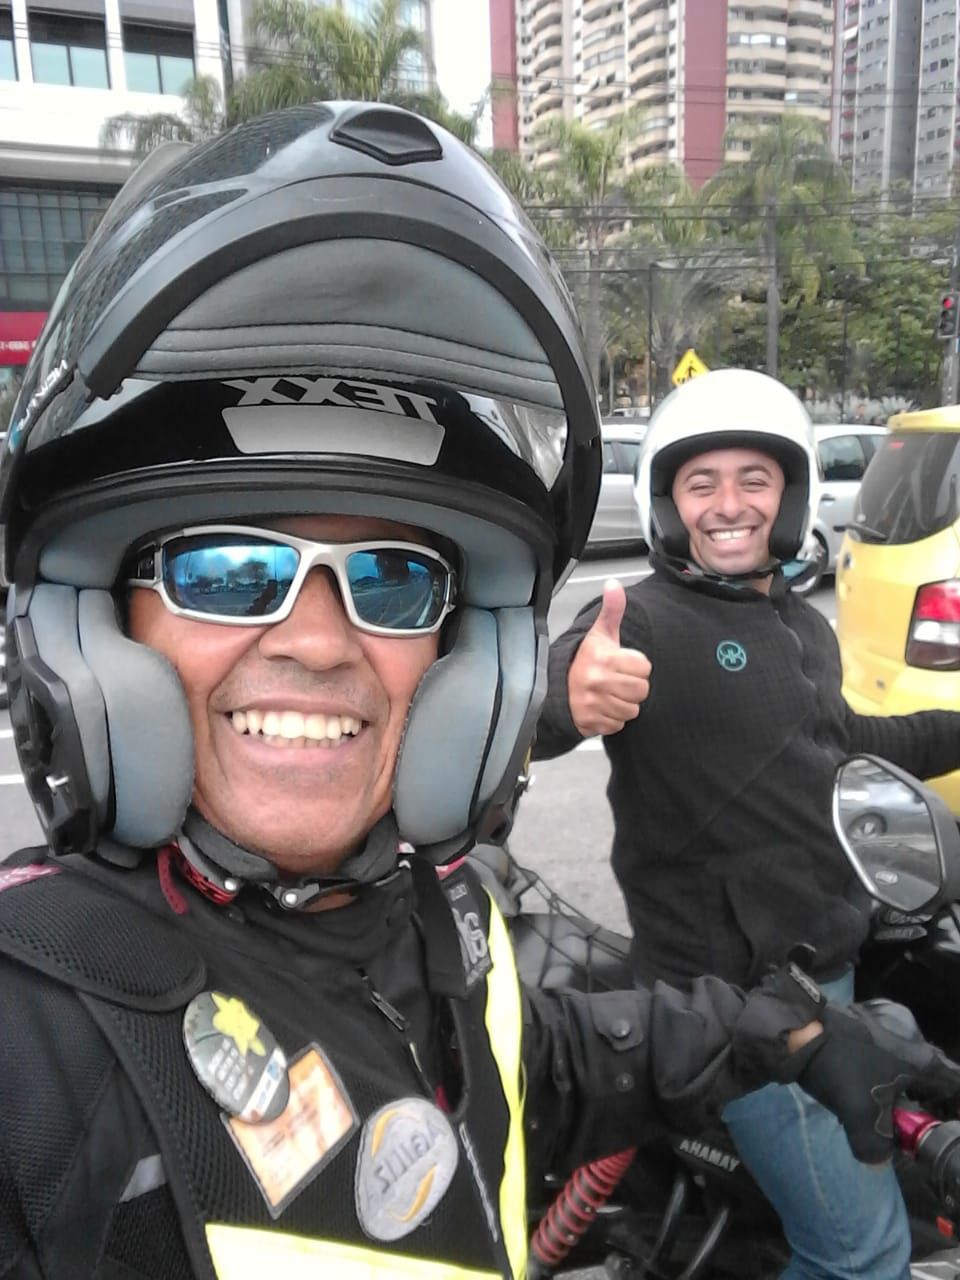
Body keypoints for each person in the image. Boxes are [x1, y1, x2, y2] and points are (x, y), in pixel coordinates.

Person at [0, 112, 956, 1280]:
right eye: (227, 568)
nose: (319, 641)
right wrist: (573, 699)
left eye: (393, 578)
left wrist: (787, 1031)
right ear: (99, 630)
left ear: (462, 665)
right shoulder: (32, 1036)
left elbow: (533, 1058)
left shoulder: (428, 926)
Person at [534, 366, 960, 1279]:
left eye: (754, 480)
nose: (729, 505)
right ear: (668, 503)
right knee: (863, 1253)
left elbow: (845, 744)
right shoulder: (643, 619)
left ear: (791, 494)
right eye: (702, 483)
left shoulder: (802, 626)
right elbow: (540, 703)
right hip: (741, 1006)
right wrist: (565, 697)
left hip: (829, 971)